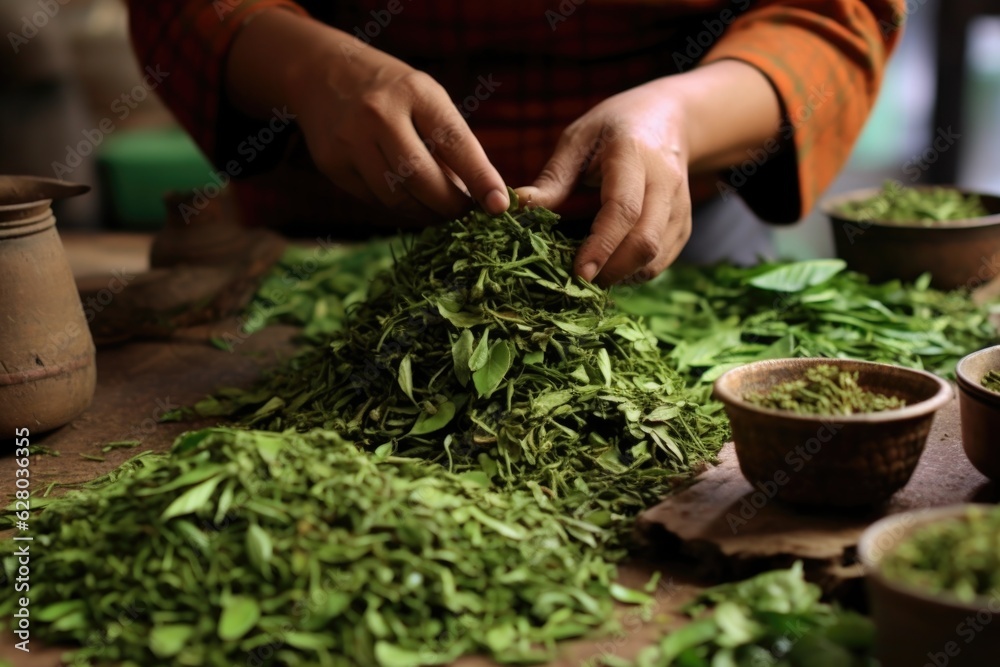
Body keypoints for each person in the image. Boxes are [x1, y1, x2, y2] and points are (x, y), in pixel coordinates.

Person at [126, 0, 903, 286]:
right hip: (329, 230)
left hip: (665, 219)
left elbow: (834, 13)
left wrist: (679, 118)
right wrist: (303, 65)